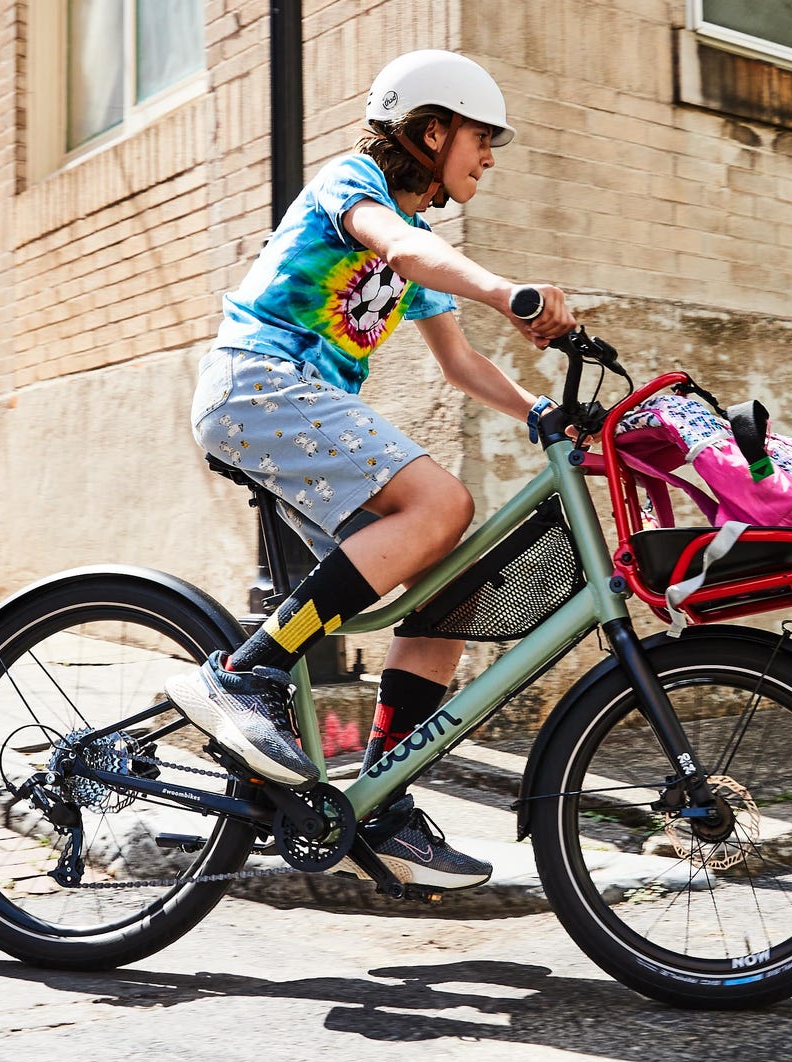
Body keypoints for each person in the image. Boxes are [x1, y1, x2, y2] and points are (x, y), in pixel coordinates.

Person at [165, 50, 577, 890]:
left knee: (448, 588)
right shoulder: (354, 184)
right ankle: (250, 674)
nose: (488, 157)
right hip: (259, 381)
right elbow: (398, 251)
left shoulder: (422, 238)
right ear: (431, 131)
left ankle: (383, 801)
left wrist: (538, 409)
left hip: (297, 406)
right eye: (479, 138)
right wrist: (509, 292)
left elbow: (457, 362)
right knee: (442, 502)